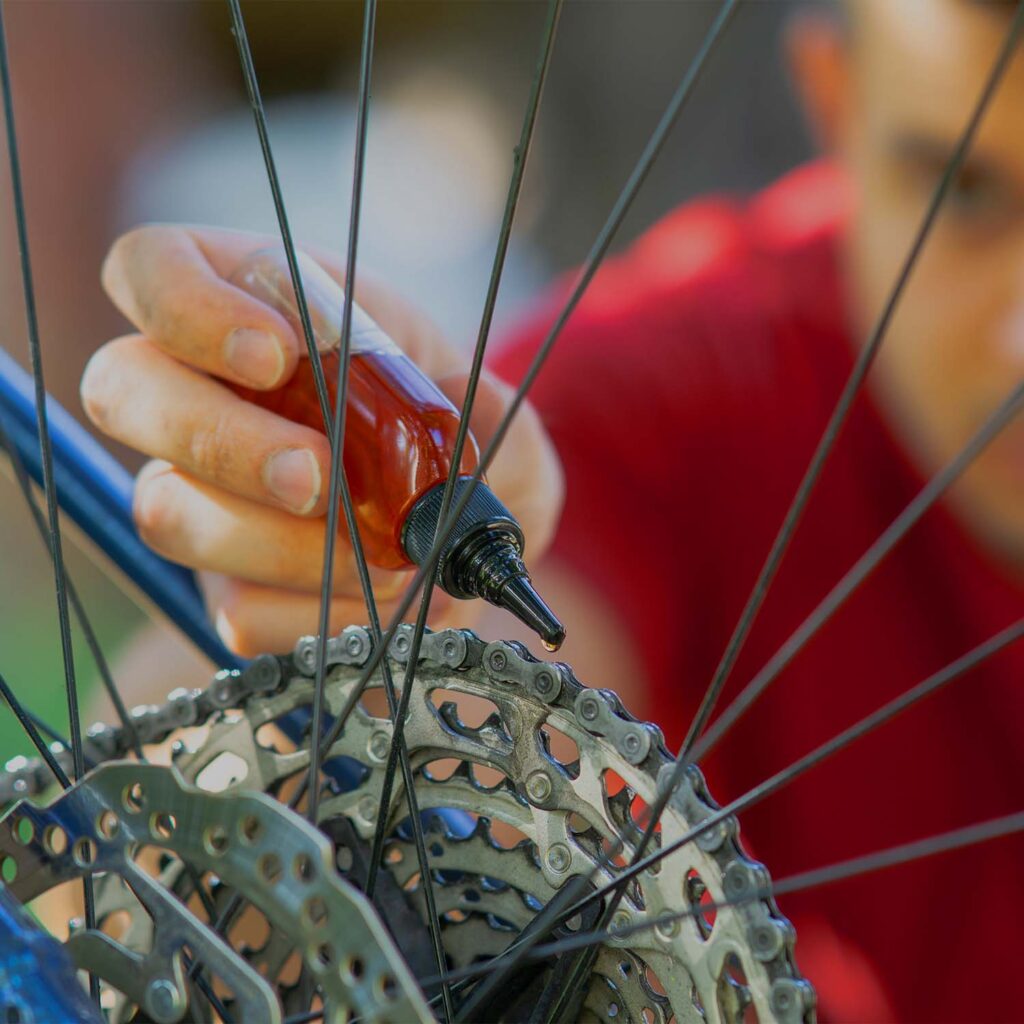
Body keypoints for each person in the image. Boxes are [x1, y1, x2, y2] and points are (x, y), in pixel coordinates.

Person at [81, 1, 1024, 1020]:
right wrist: (358, 644)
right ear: (834, 101)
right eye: (962, 191)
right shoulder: (683, 390)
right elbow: (504, 665)